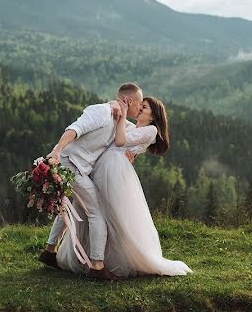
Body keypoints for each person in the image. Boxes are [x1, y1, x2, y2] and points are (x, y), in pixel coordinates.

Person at [57, 96, 192, 278]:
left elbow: (120, 140)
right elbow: (121, 124)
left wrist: (122, 118)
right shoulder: (135, 127)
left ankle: (112, 259)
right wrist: (115, 106)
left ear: (154, 116)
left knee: (112, 213)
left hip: (114, 170)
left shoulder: (151, 130)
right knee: (93, 209)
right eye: (141, 106)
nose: (140, 109)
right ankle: (91, 257)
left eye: (144, 107)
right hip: (104, 166)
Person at [38, 83, 144, 280]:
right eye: (139, 104)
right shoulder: (102, 112)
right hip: (70, 164)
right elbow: (74, 130)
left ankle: (49, 251)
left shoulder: (120, 120)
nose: (140, 108)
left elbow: (137, 134)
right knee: (96, 212)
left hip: (79, 169)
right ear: (129, 101)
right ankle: (97, 265)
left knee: (74, 207)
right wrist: (56, 152)